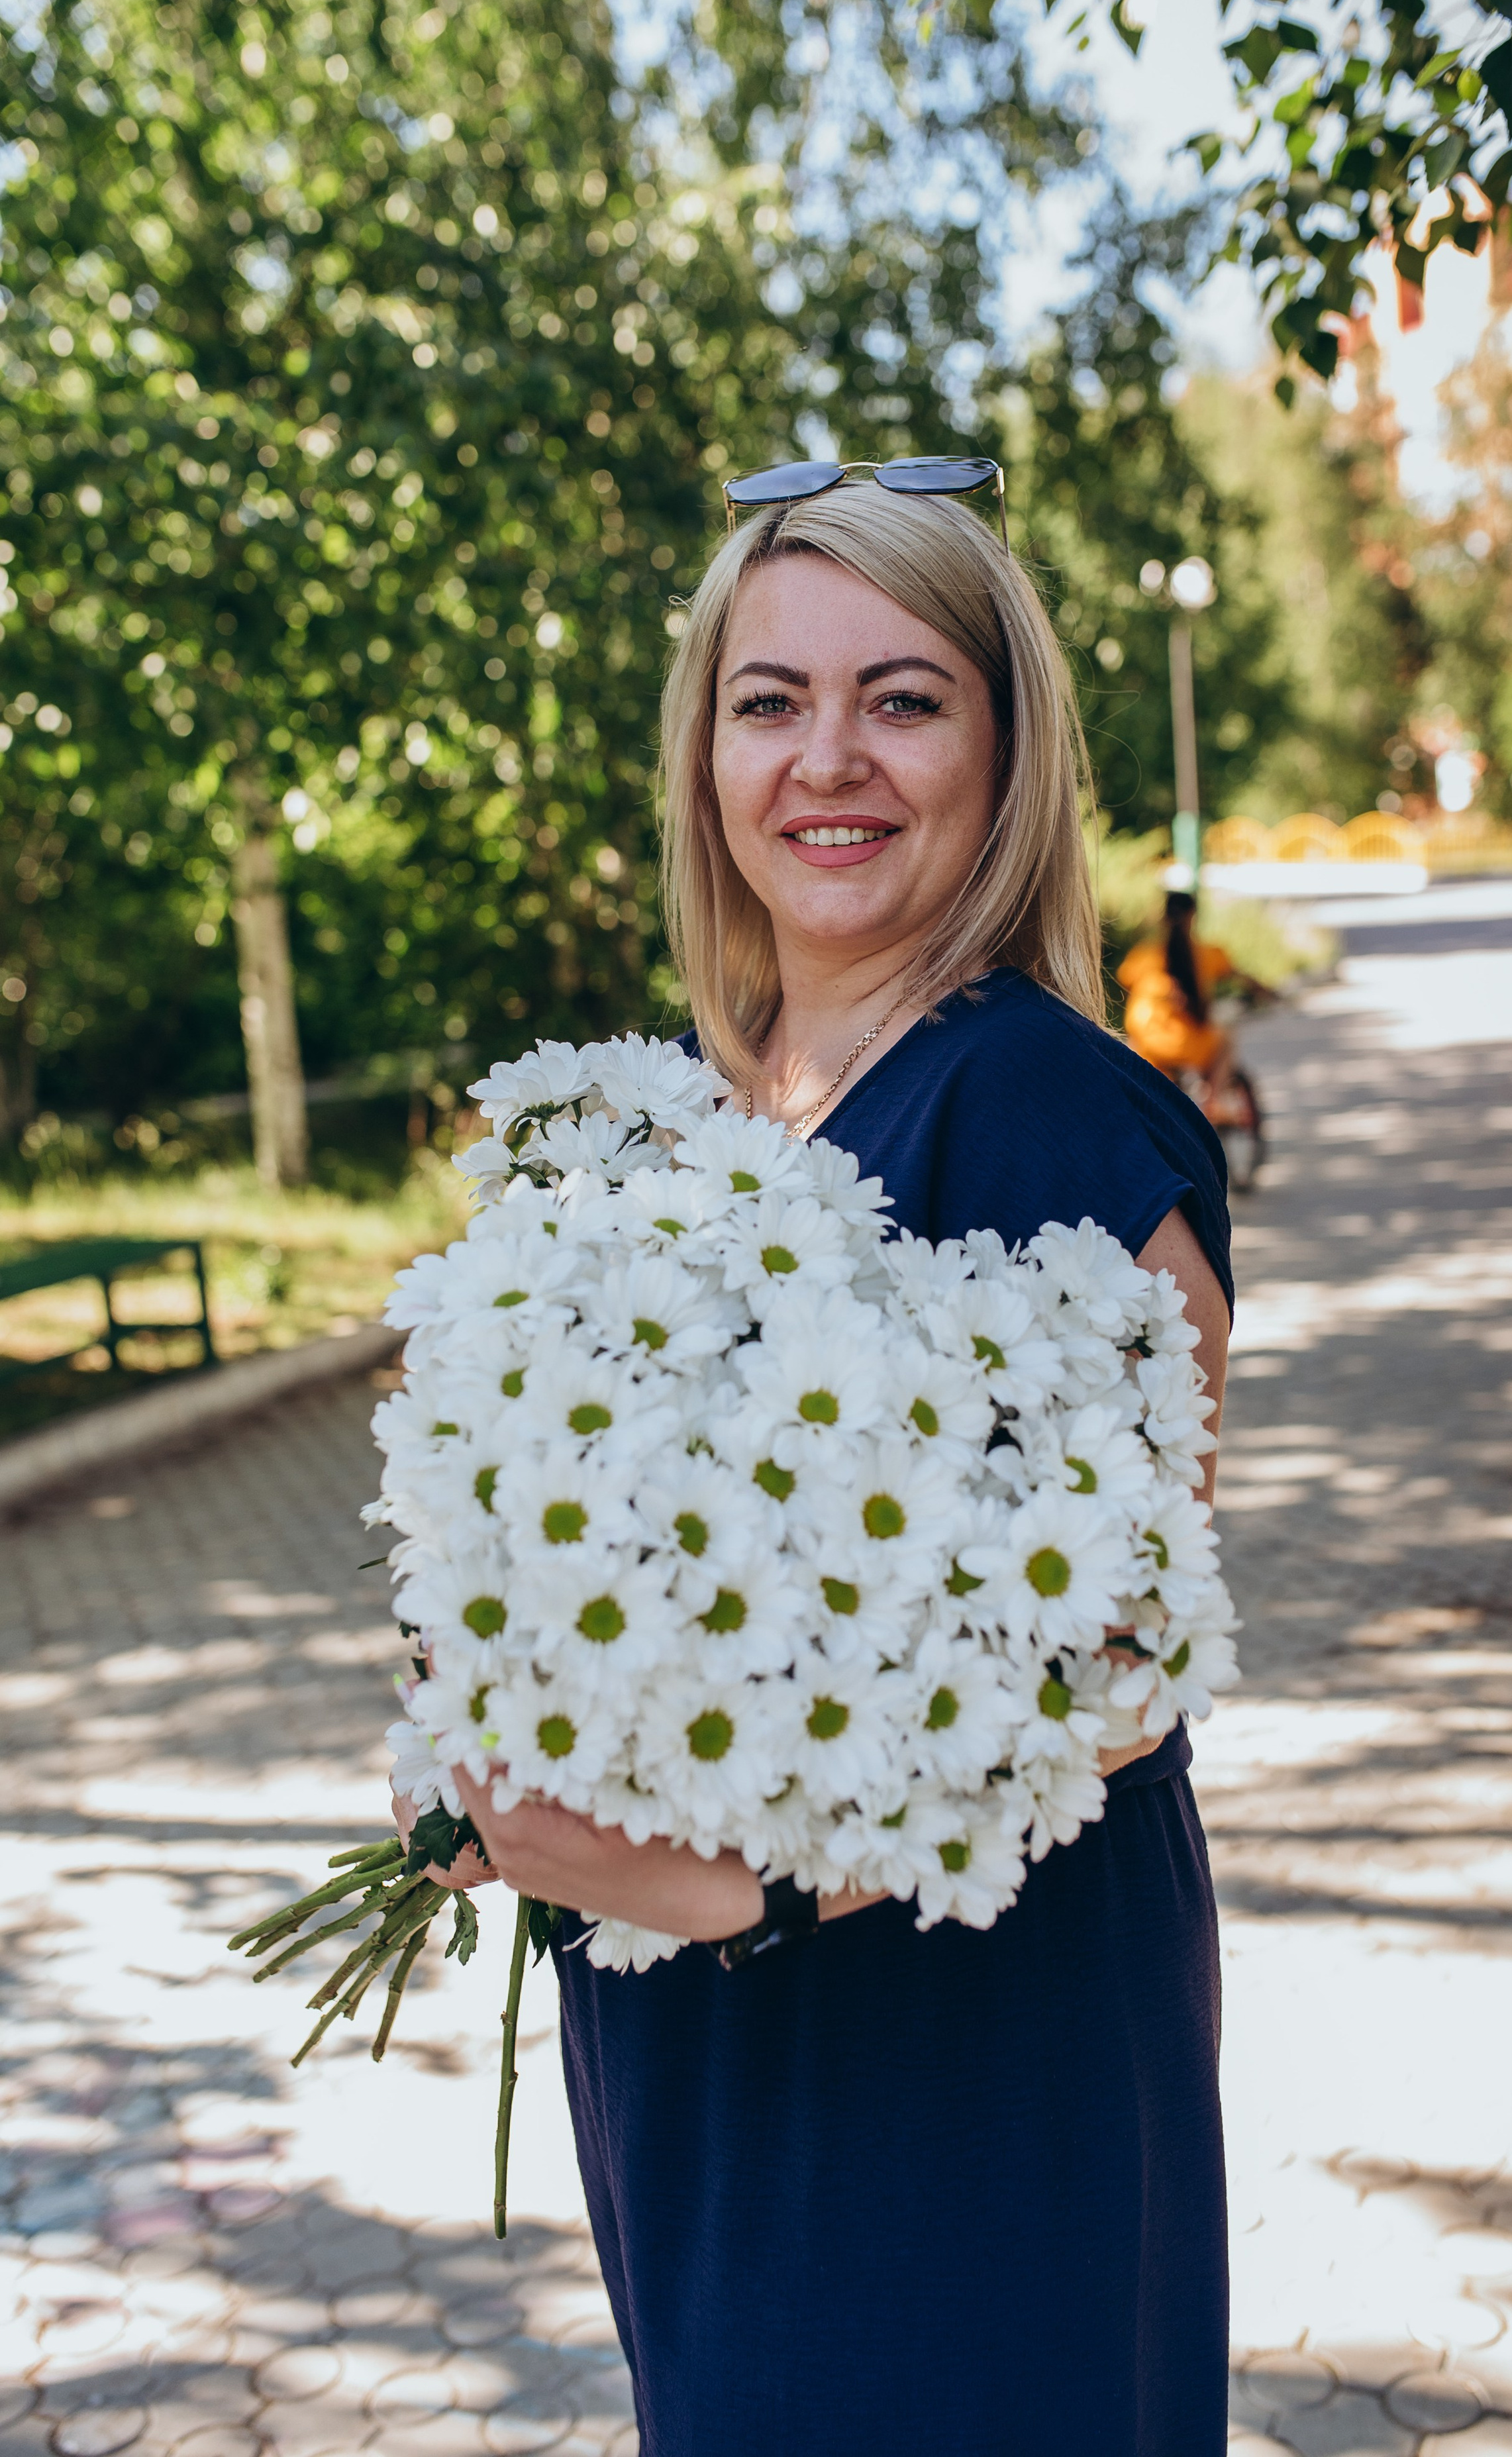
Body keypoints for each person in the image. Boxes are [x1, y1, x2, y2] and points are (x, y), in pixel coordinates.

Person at [399, 469, 1233, 2455]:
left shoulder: (1044, 1106)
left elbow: (1120, 1657)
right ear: (703, 756)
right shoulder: (675, 1124)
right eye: (768, 701)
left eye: (904, 698)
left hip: (960, 2066)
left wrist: (729, 1884)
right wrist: (475, 1709)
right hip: (704, 2065)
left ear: (1005, 752)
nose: (827, 758)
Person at [1117, 887, 1275, 1112]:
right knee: (1226, 1039)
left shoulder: (1144, 955)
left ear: (1163, 917)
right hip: (1188, 1044)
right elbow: (1240, 977)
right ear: (1193, 916)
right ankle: (1213, 1102)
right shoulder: (1205, 953)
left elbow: (1125, 980)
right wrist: (1268, 993)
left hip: (1146, 1044)